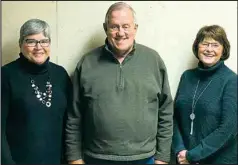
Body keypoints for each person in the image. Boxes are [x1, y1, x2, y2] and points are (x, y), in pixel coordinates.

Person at [65, 2, 173, 164]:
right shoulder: (87, 63)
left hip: (145, 159)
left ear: (135, 28)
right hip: (96, 158)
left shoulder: (153, 60)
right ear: (105, 28)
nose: (120, 33)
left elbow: (165, 111)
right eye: (114, 27)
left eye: (126, 26)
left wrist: (162, 158)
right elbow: (74, 115)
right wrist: (74, 158)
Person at [1, 19, 72, 164]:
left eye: (44, 41)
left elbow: (70, 122)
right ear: (20, 44)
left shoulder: (60, 74)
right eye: (31, 41)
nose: (38, 47)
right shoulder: (6, 75)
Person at [172, 25, 237, 164]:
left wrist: (193, 155)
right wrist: (180, 150)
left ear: (223, 49)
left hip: (218, 160)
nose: (209, 49)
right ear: (197, 47)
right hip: (183, 159)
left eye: (215, 45)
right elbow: (174, 118)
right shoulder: (187, 77)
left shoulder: (231, 80)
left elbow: (229, 129)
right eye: (205, 44)